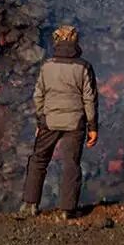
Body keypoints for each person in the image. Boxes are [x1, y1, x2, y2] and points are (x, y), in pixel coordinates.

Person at [20, 25, 99, 220]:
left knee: (38, 160)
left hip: (50, 121)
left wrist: (40, 121)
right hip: (75, 122)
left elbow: (38, 96)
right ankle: (67, 210)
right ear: (75, 41)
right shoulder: (84, 67)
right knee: (71, 164)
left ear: (56, 42)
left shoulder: (47, 66)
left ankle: (30, 205)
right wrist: (92, 127)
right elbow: (89, 99)